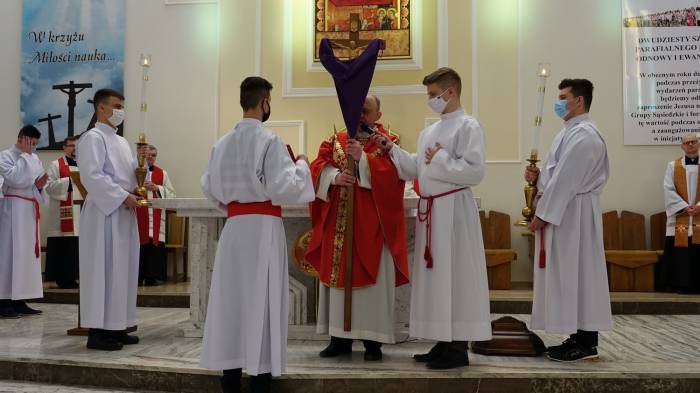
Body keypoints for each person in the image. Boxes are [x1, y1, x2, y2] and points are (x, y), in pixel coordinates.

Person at [199, 76, 314, 393]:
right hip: (262, 229)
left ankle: (230, 375)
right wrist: (302, 165)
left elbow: (208, 186)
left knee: (231, 299)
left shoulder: (221, 144)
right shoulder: (270, 141)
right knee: (261, 299)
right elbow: (285, 188)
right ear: (265, 103)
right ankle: (261, 376)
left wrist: (234, 206)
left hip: (235, 227)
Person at [376, 67, 492, 369]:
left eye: (433, 94)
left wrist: (440, 158)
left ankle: (458, 347)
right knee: (437, 280)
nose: (430, 100)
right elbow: (417, 168)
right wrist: (393, 151)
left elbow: (475, 171)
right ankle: (442, 340)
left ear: (450, 92)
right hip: (433, 212)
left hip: (454, 213)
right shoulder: (430, 130)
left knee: (455, 277)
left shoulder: (468, 126)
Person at [306, 95, 409, 362]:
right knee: (338, 284)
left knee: (373, 287)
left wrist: (363, 159)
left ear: (378, 114)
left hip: (373, 226)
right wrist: (334, 177)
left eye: (366, 111)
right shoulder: (335, 140)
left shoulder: (389, 141)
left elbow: (393, 175)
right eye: (357, 110)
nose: (361, 116)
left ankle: (373, 342)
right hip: (339, 225)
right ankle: (339, 338)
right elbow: (318, 166)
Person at [524, 78, 612, 362]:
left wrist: (541, 214)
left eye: (563, 97)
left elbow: (566, 181)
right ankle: (575, 337)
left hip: (575, 215)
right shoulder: (569, 132)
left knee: (580, 275)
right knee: (569, 276)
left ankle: (587, 343)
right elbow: (555, 176)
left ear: (579, 100)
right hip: (567, 212)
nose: (558, 102)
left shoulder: (585, 135)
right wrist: (538, 180)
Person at [77, 88, 141, 351]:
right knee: (102, 270)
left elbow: (128, 175)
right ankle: (97, 332)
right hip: (104, 212)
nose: (120, 111)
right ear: (101, 108)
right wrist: (121, 196)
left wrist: (141, 173)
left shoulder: (122, 142)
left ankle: (117, 324)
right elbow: (92, 176)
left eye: (122, 106)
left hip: (123, 212)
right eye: (116, 106)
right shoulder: (92, 138)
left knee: (122, 270)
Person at [0, 125, 48, 318]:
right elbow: (15, 180)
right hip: (12, 210)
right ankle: (3, 301)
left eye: (35, 145)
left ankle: (19, 299)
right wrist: (25, 156)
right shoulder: (5, 156)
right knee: (11, 254)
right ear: (21, 138)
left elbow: (33, 182)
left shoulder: (34, 157)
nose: (33, 148)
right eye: (31, 143)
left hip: (28, 209)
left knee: (26, 256)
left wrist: (39, 185)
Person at [658, 133, 700, 294]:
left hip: (699, 215)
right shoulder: (673, 166)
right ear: (682, 146)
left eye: (693, 142)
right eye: (687, 142)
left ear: (698, 144)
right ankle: (681, 284)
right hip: (681, 217)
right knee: (682, 251)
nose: (690, 145)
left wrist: (698, 206)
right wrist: (684, 207)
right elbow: (668, 189)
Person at [45, 136, 83, 289]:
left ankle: (76, 276)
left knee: (78, 245)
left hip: (82, 209)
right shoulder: (56, 164)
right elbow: (48, 186)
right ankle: (63, 278)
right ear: (64, 147)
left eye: (76, 146)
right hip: (64, 213)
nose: (74, 148)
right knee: (65, 245)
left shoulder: (85, 164)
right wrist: (69, 181)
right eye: (71, 146)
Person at [136, 144, 176, 286]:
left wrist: (156, 188)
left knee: (155, 245)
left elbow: (172, 194)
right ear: (143, 155)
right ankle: (138, 277)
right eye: (148, 155)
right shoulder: (135, 171)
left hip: (156, 216)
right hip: (139, 215)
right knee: (140, 244)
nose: (151, 157)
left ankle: (154, 276)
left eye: (153, 155)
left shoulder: (162, 173)